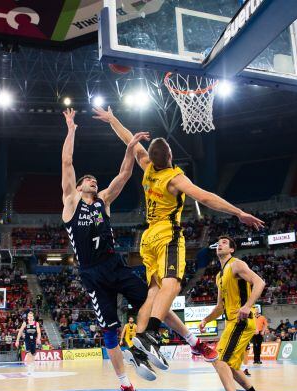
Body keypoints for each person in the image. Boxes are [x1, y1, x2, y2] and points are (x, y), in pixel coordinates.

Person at [60, 109, 215, 391]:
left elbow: (125, 174)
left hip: (114, 266)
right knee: (109, 334)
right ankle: (125, 385)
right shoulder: (70, 202)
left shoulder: (104, 201)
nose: (92, 181)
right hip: (91, 275)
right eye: (87, 180)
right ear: (79, 187)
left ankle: (195, 343)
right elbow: (67, 163)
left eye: (94, 180)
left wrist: (130, 148)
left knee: (157, 302)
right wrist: (71, 128)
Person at [93, 106, 263, 371]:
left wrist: (113, 119)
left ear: (151, 156)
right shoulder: (175, 178)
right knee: (172, 285)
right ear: (171, 156)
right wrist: (238, 212)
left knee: (153, 291)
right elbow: (205, 197)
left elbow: (129, 139)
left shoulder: (146, 166)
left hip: (147, 239)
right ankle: (150, 335)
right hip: (167, 234)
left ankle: (139, 346)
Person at [199, 236, 268, 391]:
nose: (219, 244)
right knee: (231, 366)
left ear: (231, 250)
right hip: (230, 322)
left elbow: (260, 282)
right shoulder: (219, 276)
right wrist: (206, 319)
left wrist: (247, 306)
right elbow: (220, 306)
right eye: (218, 242)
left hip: (241, 321)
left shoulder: (236, 264)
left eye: (224, 243)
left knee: (218, 360)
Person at [15, 311, 41, 375]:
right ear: (27, 317)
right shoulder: (25, 323)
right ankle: (29, 369)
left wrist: (38, 338)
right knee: (29, 354)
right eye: (29, 316)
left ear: (33, 317)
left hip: (34, 340)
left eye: (31, 316)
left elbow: (39, 332)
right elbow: (20, 332)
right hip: (27, 340)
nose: (30, 317)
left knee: (33, 355)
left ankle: (31, 366)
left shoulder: (36, 323)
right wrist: (17, 340)